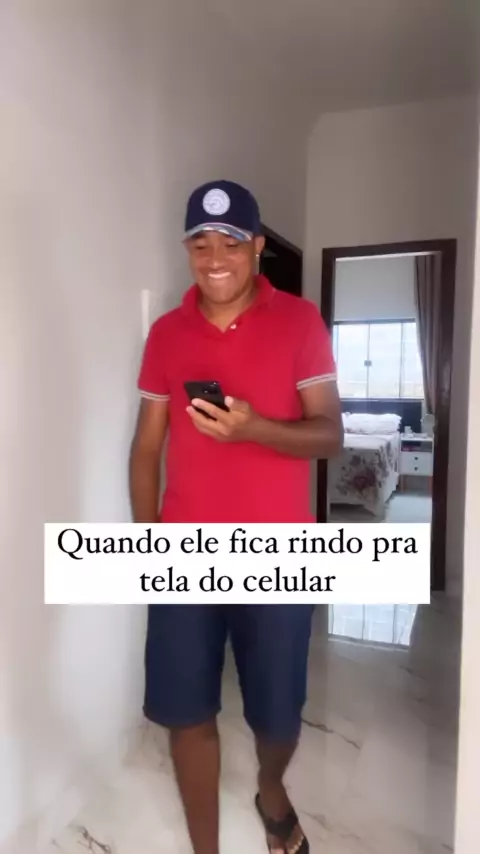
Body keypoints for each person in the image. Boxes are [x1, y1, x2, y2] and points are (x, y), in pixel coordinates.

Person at [129, 179, 343, 854]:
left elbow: (330, 435)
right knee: (186, 712)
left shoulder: (300, 323)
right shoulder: (167, 334)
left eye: (230, 242)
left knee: (278, 716)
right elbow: (146, 448)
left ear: (256, 247)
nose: (214, 257)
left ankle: (271, 790)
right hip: (184, 552)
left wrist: (255, 429)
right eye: (200, 243)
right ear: (187, 251)